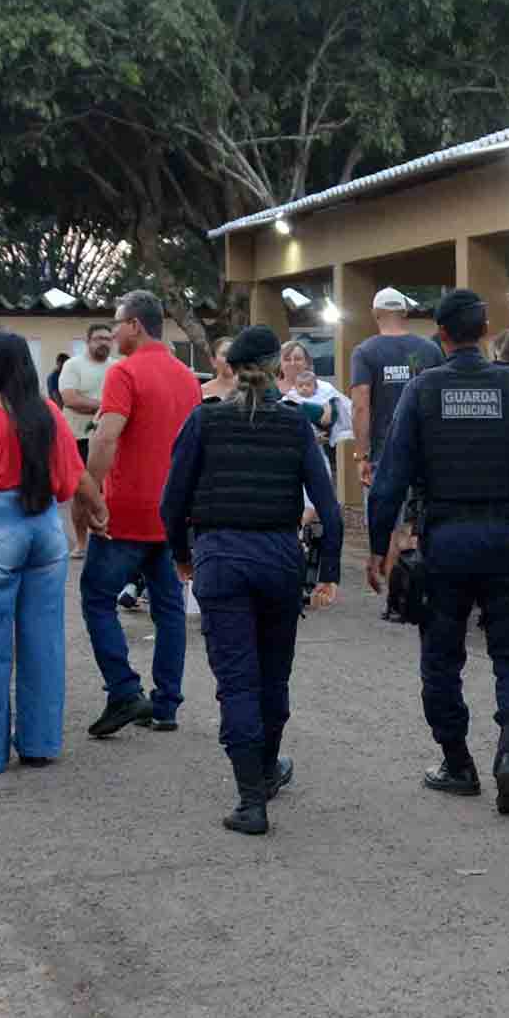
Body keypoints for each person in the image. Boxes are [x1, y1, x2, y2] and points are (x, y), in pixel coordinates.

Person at [370, 291, 509, 814]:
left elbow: (389, 480)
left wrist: (380, 547)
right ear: (485, 329)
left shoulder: (423, 390)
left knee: (441, 660)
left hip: (445, 546)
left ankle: (457, 762)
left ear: (442, 336)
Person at [163, 325, 341, 833]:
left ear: (231, 368)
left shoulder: (204, 421)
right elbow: (326, 505)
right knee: (273, 674)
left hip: (220, 559)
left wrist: (182, 556)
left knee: (237, 681)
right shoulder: (294, 426)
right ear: (276, 365)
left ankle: (250, 800)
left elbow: (172, 501)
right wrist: (328, 572)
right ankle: (265, 770)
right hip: (280, 560)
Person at [0, 331, 103, 775]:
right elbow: (76, 474)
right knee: (43, 640)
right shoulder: (48, 412)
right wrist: (98, 506)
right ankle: (40, 742)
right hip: (46, 530)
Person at [79, 289, 203, 738]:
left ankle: (123, 690)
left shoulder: (124, 372)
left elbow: (106, 437)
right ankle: (166, 703)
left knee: (96, 597)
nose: (112, 332)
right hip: (172, 511)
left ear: (135, 325)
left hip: (127, 510)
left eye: (116, 323)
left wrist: (90, 493)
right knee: (168, 608)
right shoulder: (187, 378)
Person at [349, 287, 443, 491]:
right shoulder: (431, 350)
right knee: (422, 519)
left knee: (384, 520)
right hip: (425, 454)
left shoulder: (365, 352)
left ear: (375, 314)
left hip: (383, 455)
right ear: (405, 312)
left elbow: (360, 406)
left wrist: (361, 456)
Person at [58, 325, 116, 460]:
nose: (104, 343)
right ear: (88, 341)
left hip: (107, 438)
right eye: (99, 339)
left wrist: (88, 405)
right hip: (78, 438)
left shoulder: (117, 367)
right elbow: (70, 400)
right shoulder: (73, 365)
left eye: (108, 339)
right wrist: (108, 407)